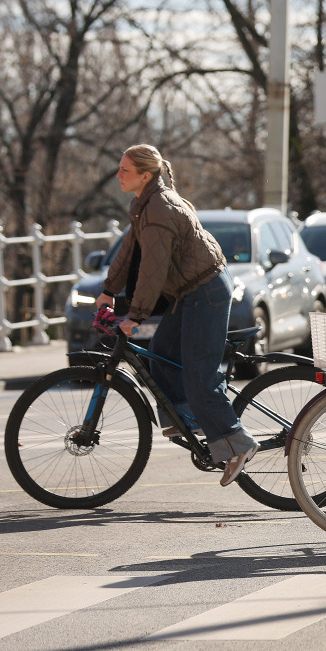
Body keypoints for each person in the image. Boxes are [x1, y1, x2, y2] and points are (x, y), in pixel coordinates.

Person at [97, 144, 259, 487]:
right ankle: (189, 417)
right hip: (189, 292)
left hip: (207, 292)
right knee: (161, 358)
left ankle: (237, 443)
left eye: (124, 170)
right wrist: (108, 288)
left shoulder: (159, 210)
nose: (118, 175)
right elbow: (129, 252)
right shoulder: (143, 204)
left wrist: (135, 316)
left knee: (200, 378)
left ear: (145, 175)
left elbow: (152, 273)